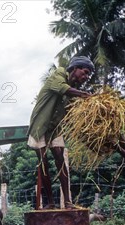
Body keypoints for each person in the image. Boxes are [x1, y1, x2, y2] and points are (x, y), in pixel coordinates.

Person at [26, 56, 94, 209]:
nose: (85, 77)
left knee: (60, 160)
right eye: (84, 72)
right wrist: (87, 96)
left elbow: (71, 112)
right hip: (40, 125)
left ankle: (68, 202)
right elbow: (63, 89)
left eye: (87, 75)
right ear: (74, 68)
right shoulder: (58, 75)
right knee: (43, 164)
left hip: (55, 128)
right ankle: (50, 202)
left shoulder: (72, 90)